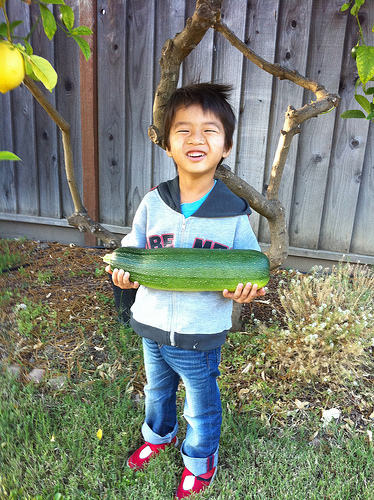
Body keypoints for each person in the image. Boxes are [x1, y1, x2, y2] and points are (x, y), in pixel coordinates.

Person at [107, 83, 266, 499]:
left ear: (226, 147)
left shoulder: (233, 213)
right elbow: (132, 247)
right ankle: (158, 437)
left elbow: (250, 266)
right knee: (157, 390)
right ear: (167, 145)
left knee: (200, 403)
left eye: (209, 131)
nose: (196, 139)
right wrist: (122, 270)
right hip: (152, 324)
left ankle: (199, 461)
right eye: (184, 130)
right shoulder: (153, 202)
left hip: (199, 335)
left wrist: (244, 291)